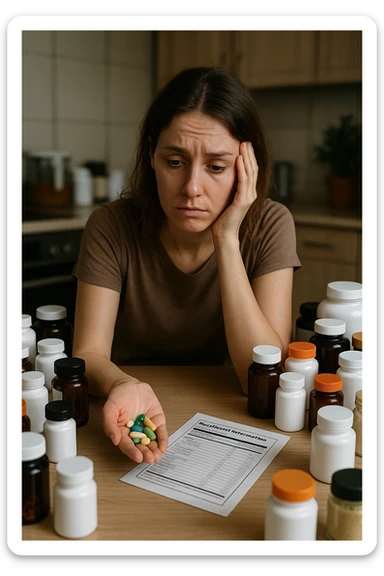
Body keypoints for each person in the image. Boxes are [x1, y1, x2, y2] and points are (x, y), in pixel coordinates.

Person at [72, 66, 301, 465]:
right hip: (129, 403)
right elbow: (88, 353)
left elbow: (261, 374)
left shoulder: (270, 224)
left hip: (222, 406)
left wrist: (226, 238)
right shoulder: (110, 225)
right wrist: (123, 383)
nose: (192, 188)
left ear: (245, 168)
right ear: (151, 157)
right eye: (175, 161)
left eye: (216, 167)